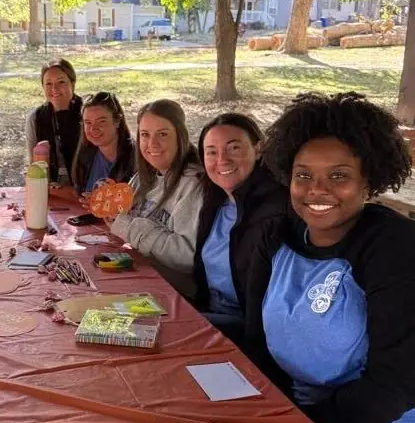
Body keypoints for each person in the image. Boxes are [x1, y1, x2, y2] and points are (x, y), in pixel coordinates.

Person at [245, 92, 415, 423]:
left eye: (338, 176)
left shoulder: (394, 248)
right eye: (305, 176)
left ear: (369, 181)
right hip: (304, 420)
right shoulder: (276, 235)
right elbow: (257, 342)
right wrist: (264, 421)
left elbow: (394, 384)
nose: (317, 190)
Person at [193, 113, 288, 343]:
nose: (222, 160)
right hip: (210, 312)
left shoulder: (275, 211)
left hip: (250, 330)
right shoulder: (215, 201)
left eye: (234, 148)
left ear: (258, 149)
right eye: (212, 152)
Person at [110, 99, 203, 299]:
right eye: (145, 135)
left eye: (162, 134)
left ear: (180, 136)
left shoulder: (193, 185)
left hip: (175, 296)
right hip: (135, 278)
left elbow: (186, 256)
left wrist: (129, 227)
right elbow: (120, 220)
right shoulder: (144, 177)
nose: (152, 144)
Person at [25, 58, 83, 186]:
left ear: (72, 84)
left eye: (61, 82)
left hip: (85, 186)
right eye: (48, 84)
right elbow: (34, 165)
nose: (55, 89)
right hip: (49, 186)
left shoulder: (87, 113)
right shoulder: (35, 118)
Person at [71, 91, 135, 202]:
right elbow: (78, 195)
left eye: (101, 122)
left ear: (117, 122)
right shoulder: (86, 153)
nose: (93, 129)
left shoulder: (136, 158)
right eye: (88, 123)